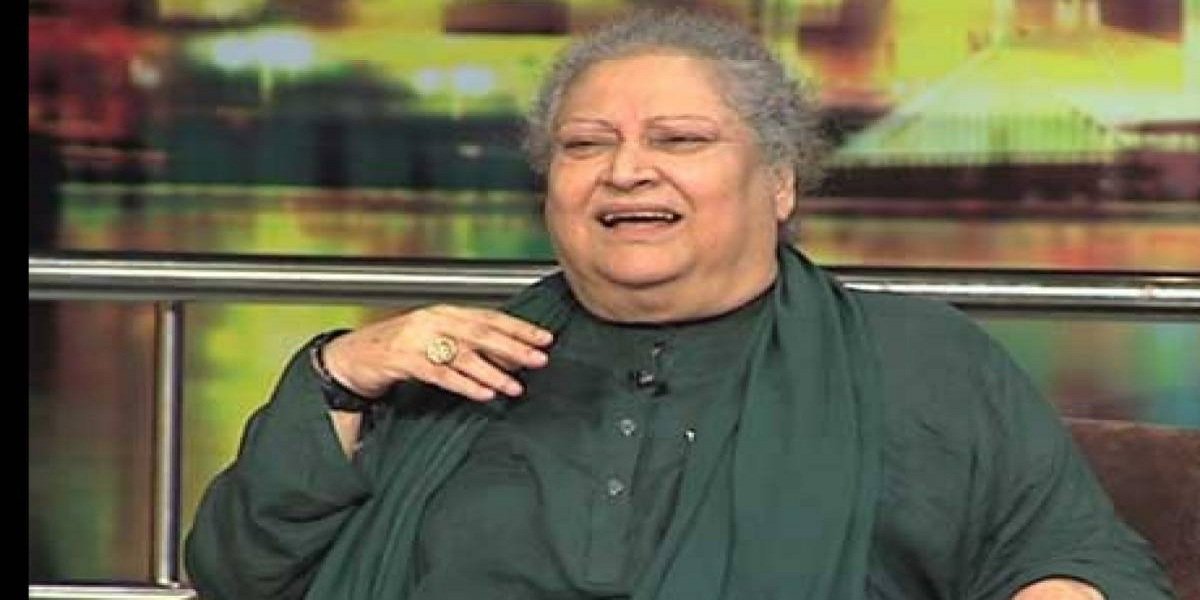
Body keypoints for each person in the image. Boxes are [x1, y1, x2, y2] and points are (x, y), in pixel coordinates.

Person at [185, 9, 1175, 600]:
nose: (625, 171)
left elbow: (1082, 560)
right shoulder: (455, 362)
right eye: (585, 145)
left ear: (779, 182)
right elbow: (237, 575)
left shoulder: (919, 361)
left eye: (680, 140)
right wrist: (340, 375)